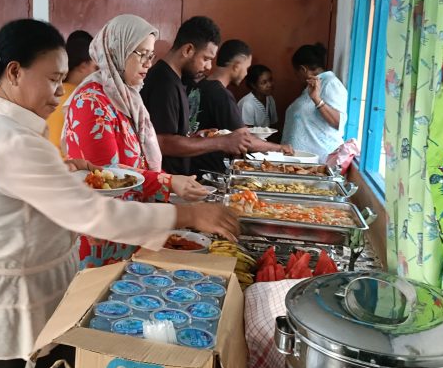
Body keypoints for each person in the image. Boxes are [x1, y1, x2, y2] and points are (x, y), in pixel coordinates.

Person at [0, 18, 238, 368]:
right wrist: (186, 214)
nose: (59, 92)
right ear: (14, 72)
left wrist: (63, 172)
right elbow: (90, 212)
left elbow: (20, 192)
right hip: (11, 304)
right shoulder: (12, 140)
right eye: (53, 80)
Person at [64, 14, 210, 268]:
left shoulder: (127, 96)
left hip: (131, 228)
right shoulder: (91, 101)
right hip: (103, 236)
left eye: (151, 55)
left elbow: (139, 161)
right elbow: (106, 175)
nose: (148, 63)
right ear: (117, 51)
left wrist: (174, 186)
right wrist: (168, 182)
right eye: (141, 54)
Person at [141, 16, 255, 175]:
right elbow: (162, 142)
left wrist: (196, 138)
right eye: (206, 59)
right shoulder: (164, 83)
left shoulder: (175, 79)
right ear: (188, 50)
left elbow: (172, 135)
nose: (208, 67)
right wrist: (221, 142)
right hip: (164, 181)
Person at [192, 40, 292, 174]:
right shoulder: (221, 95)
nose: (246, 74)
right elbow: (245, 139)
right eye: (246, 68)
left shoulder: (199, 86)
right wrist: (279, 148)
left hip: (191, 166)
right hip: (206, 171)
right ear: (237, 66)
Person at [282, 43, 347, 160]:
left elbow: (338, 122)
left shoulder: (330, 83)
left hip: (318, 161)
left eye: (296, 72)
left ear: (303, 69)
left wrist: (317, 100)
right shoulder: (313, 84)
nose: (296, 76)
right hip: (302, 160)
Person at [46, 30, 97, 150]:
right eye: (96, 68)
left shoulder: (49, 93)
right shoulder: (83, 98)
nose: (100, 74)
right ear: (83, 66)